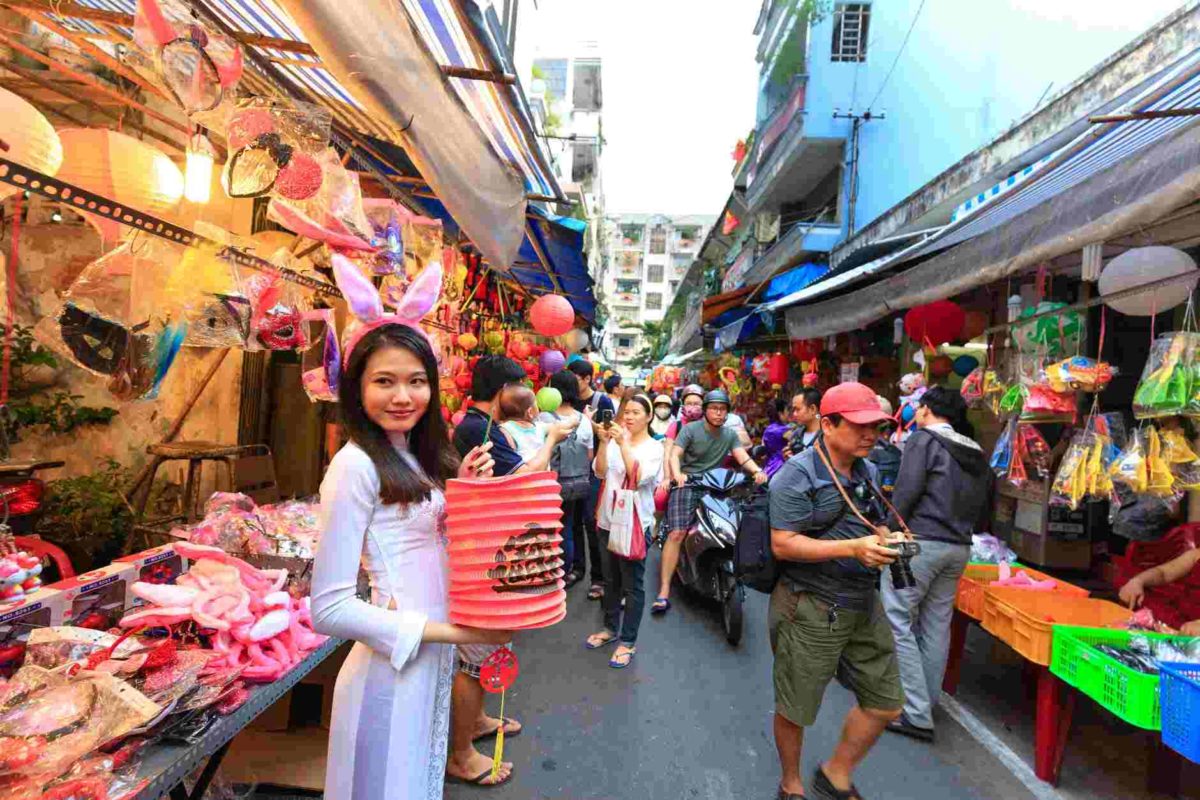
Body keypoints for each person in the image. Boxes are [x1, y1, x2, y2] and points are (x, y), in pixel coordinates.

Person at [312, 323, 512, 796]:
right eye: (384, 381)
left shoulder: (413, 455)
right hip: (388, 678)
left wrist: (461, 489)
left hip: (428, 666)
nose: (402, 396)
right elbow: (329, 609)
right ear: (357, 388)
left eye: (416, 381)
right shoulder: (353, 466)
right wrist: (462, 634)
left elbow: (425, 543)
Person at [768, 382, 904, 800]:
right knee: (797, 709)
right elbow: (783, 543)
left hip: (862, 600)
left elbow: (869, 520)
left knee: (886, 703)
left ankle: (835, 771)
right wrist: (852, 548)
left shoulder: (869, 469)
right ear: (827, 424)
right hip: (809, 605)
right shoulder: (797, 474)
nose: (870, 435)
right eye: (860, 426)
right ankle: (791, 782)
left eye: (877, 427)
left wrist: (886, 536)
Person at [449, 355, 576, 786]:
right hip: (481, 556)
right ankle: (461, 753)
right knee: (475, 654)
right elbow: (527, 474)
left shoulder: (480, 427)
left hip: (490, 548)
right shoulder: (475, 429)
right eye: (519, 385)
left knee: (485, 647)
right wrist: (553, 437)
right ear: (503, 391)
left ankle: (479, 720)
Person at [881, 387, 989, 743]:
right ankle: (925, 703)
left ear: (925, 411)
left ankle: (915, 711)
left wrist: (890, 528)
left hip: (918, 543)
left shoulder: (923, 440)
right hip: (958, 547)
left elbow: (907, 490)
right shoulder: (975, 451)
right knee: (936, 625)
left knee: (896, 617)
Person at [655, 389, 768, 613]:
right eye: (714, 408)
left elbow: (742, 456)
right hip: (688, 484)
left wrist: (757, 471)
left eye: (723, 409)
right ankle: (664, 589)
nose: (718, 413)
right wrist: (677, 474)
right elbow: (675, 454)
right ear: (706, 411)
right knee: (677, 533)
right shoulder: (689, 430)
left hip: (716, 485)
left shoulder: (729, 434)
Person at [585, 394, 665, 668]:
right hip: (608, 518)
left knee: (633, 585)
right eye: (625, 412)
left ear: (649, 416)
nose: (629, 417)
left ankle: (628, 641)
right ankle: (609, 629)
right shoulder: (615, 441)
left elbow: (639, 476)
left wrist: (621, 442)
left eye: (635, 412)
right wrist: (605, 442)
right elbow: (598, 471)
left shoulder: (655, 447)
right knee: (610, 580)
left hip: (635, 524)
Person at [539, 370, 597, 593]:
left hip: (549, 484)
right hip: (575, 484)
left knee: (548, 529)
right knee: (569, 528)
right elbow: (589, 456)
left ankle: (548, 572)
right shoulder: (583, 420)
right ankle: (564, 572)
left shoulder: (543, 418)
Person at [1119, 546, 1200, 635]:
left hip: (1194, 628)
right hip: (1177, 615)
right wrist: (1138, 581)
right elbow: (1163, 573)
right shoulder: (1195, 555)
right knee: (1136, 596)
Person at [499, 385, 547, 463]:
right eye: (536, 404)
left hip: (522, 471)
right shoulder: (540, 427)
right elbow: (558, 427)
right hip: (540, 471)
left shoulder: (505, 429)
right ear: (530, 412)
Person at [783, 388, 822, 459]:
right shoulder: (795, 435)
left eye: (798, 409)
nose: (794, 414)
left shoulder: (828, 436)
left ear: (813, 409)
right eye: (793, 410)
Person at [762, 398, 792, 478]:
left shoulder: (768, 429)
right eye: (787, 411)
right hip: (781, 465)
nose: (789, 413)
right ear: (780, 414)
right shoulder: (783, 430)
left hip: (769, 465)